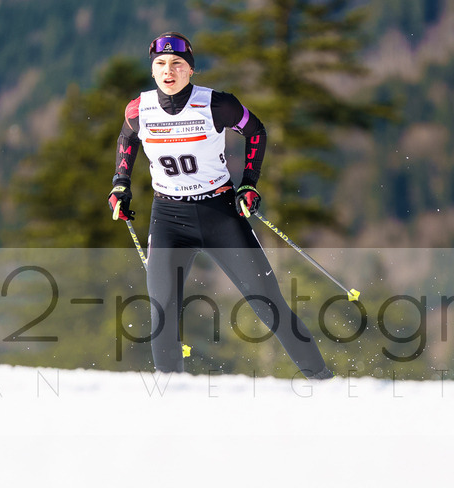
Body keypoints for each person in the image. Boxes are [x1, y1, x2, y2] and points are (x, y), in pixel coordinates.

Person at [108, 31, 332, 379]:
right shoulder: (139, 109)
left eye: (178, 64)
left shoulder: (217, 104)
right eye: (161, 64)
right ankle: (171, 396)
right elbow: (127, 138)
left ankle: (322, 381)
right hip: (168, 218)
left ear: (191, 70)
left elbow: (256, 132)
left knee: (267, 304)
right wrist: (120, 185)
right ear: (153, 71)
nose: (169, 71)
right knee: (162, 313)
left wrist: (248, 185)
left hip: (219, 213)